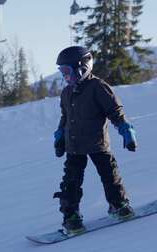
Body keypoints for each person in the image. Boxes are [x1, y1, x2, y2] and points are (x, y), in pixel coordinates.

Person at [53, 46, 138, 234]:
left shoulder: (98, 87)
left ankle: (119, 205)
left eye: (67, 71)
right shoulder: (66, 93)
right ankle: (71, 217)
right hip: (74, 146)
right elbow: (65, 117)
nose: (65, 77)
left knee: (110, 176)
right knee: (70, 183)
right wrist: (59, 135)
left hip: (97, 143)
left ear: (82, 67)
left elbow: (115, 112)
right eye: (62, 73)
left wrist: (126, 130)